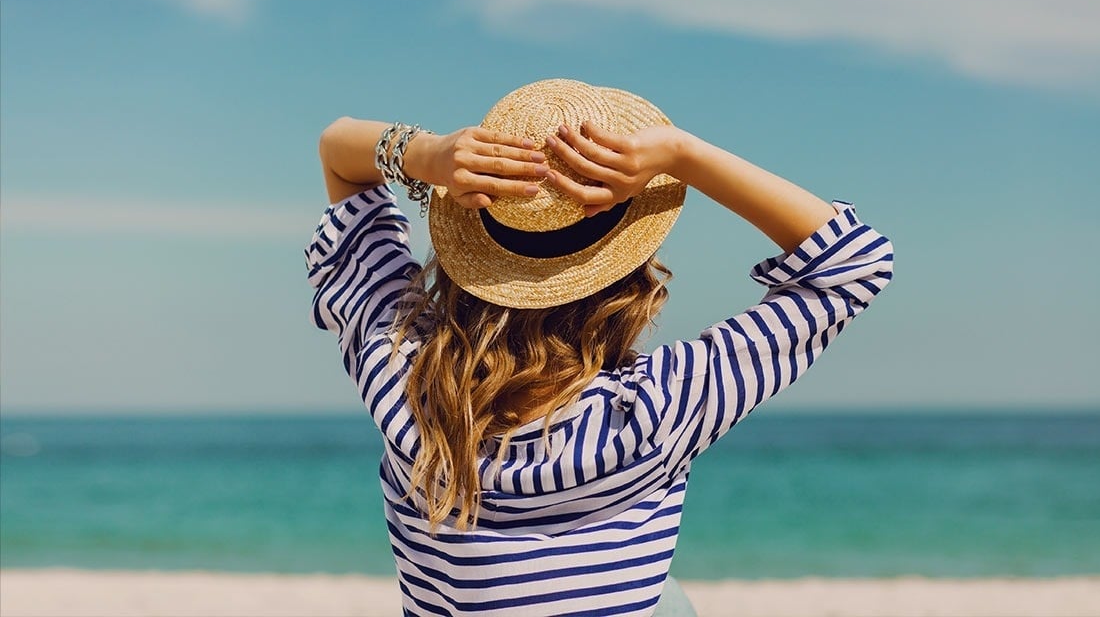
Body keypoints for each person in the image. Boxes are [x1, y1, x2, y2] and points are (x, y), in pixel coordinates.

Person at [306, 79, 894, 616]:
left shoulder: (400, 374)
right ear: (632, 274)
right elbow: (855, 261)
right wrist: (684, 154)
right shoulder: (653, 413)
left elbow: (338, 149)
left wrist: (425, 154)